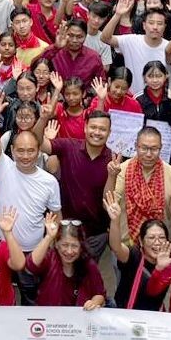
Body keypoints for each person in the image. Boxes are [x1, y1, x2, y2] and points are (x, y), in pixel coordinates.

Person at [0, 91, 62, 305]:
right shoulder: (4, 167)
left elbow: (56, 215)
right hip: (1, 246)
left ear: (39, 151)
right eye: (20, 150)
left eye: (31, 150)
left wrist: (52, 244)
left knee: (31, 298)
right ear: (12, 150)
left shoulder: (49, 182)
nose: (25, 155)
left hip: (33, 251)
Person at [40, 111, 113, 259]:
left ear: (109, 132)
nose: (97, 132)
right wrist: (43, 118)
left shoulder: (114, 159)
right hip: (66, 229)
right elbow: (39, 143)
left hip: (96, 235)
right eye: (93, 127)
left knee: (88, 276)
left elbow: (110, 201)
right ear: (85, 127)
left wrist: (113, 174)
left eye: (103, 129)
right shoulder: (69, 146)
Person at [108, 126, 171, 245]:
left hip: (160, 246)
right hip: (126, 246)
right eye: (144, 148)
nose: (149, 154)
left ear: (161, 148)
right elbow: (108, 204)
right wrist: (111, 176)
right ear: (136, 146)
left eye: (154, 149)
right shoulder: (122, 170)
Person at [26, 213, 106, 309]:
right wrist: (49, 237)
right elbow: (31, 265)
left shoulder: (89, 265)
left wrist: (93, 302)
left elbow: (100, 294)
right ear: (57, 244)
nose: (69, 251)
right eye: (65, 245)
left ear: (81, 247)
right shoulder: (50, 258)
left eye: (74, 246)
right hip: (50, 317)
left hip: (78, 319)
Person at [102, 0, 168, 94]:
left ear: (164, 26)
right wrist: (118, 14)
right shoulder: (131, 40)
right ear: (144, 25)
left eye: (159, 23)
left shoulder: (170, 48)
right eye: (151, 23)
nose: (155, 27)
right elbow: (105, 38)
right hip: (131, 98)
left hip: (157, 101)